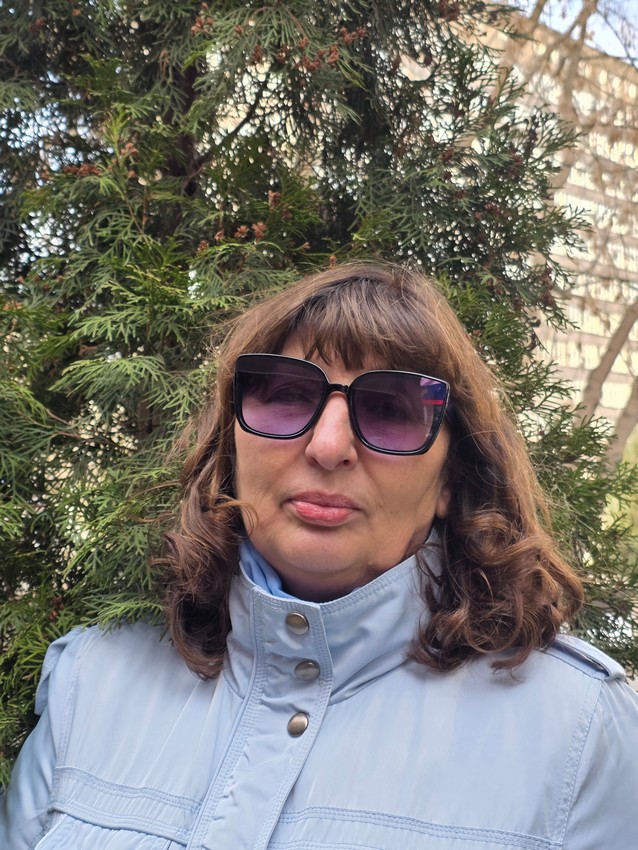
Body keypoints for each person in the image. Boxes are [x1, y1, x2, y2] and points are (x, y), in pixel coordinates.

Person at [2, 262, 637, 850]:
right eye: (286, 394)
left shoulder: (580, 734)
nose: (328, 447)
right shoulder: (91, 683)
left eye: (390, 410)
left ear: (450, 479)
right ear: (231, 444)